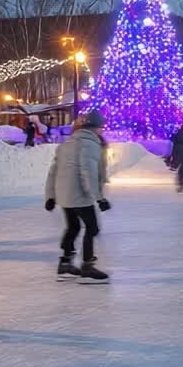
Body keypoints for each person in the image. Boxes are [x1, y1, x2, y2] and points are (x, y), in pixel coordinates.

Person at [46, 111, 111, 283]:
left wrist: (50, 196)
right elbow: (87, 173)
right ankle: (87, 266)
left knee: (73, 227)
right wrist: (99, 198)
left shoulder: (67, 143)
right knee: (92, 228)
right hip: (79, 195)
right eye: (101, 127)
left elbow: (53, 171)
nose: (101, 131)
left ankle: (65, 264)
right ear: (96, 127)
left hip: (64, 195)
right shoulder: (90, 144)